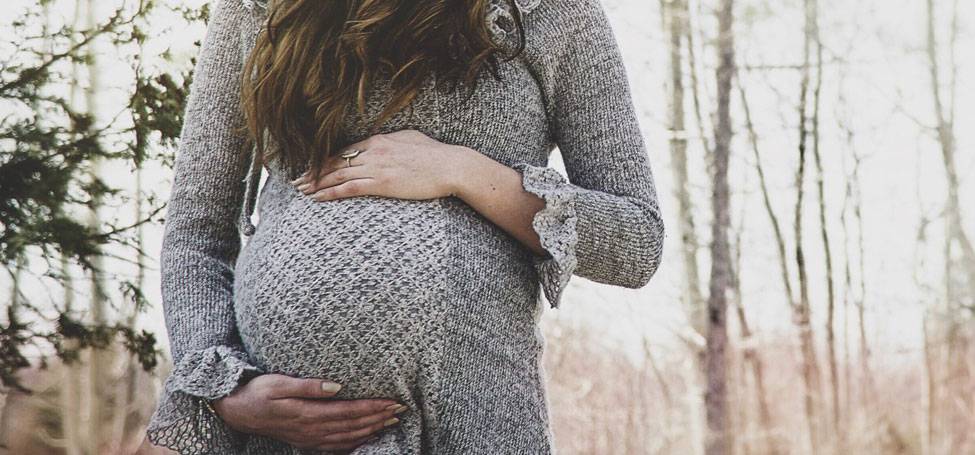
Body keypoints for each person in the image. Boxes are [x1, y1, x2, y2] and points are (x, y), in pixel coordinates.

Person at [143, 0, 665, 453]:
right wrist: (227, 392)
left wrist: (461, 170)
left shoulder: (547, 12)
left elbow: (637, 240)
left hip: (470, 419)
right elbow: (196, 228)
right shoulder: (260, 9)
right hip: (279, 437)